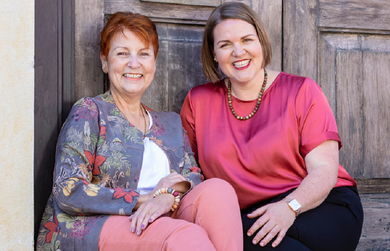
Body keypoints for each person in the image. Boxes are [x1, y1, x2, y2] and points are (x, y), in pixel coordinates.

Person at [36, 11, 243, 251]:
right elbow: (68, 188)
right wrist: (146, 199)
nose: (134, 63)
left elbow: (193, 176)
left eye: (144, 54)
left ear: (154, 62)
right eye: (122, 53)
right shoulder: (90, 111)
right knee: (184, 236)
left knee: (219, 191)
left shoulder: (171, 123)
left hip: (164, 220)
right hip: (93, 226)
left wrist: (166, 198)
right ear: (105, 61)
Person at [180, 2, 363, 251]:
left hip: (317, 204)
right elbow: (186, 170)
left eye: (247, 40)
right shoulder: (198, 101)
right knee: (232, 235)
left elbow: (324, 169)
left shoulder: (301, 91)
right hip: (247, 215)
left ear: (261, 43)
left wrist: (289, 207)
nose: (238, 51)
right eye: (225, 45)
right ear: (214, 54)